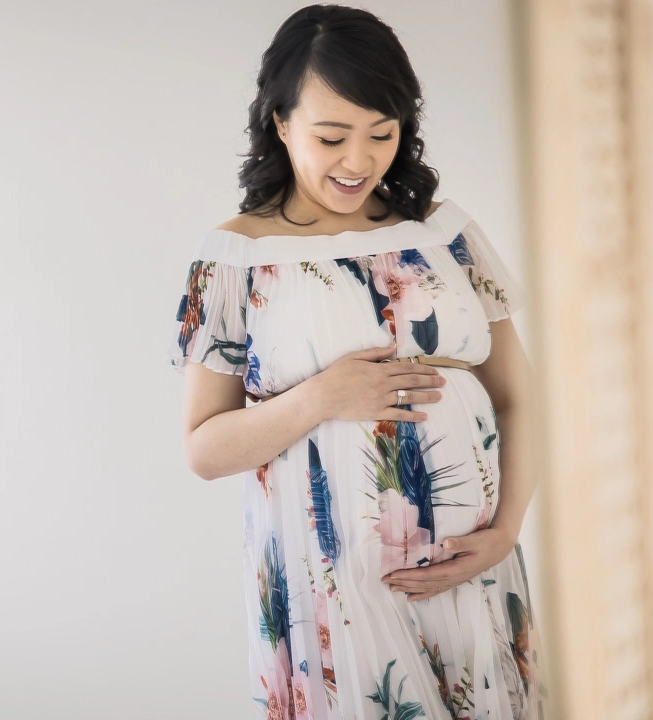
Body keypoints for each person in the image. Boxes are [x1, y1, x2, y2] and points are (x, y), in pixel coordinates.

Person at [164, 5, 549, 719]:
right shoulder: (233, 258)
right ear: (280, 123)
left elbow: (523, 398)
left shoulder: (445, 233)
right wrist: (319, 398)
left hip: (472, 570)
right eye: (332, 136)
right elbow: (203, 449)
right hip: (332, 585)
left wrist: (504, 534)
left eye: (382, 133)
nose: (358, 160)